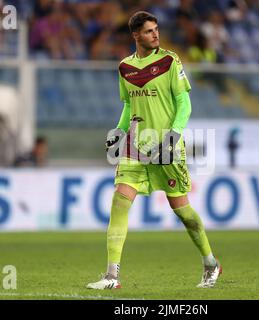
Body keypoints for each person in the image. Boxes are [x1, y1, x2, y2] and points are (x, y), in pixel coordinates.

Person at [86, 11, 221, 290]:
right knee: (120, 202)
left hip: (167, 147)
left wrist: (173, 135)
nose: (155, 34)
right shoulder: (125, 67)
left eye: (156, 29)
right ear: (136, 35)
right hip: (136, 147)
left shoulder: (170, 61)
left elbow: (184, 104)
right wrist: (118, 132)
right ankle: (112, 276)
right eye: (149, 31)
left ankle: (210, 263)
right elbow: (128, 106)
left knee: (182, 211)